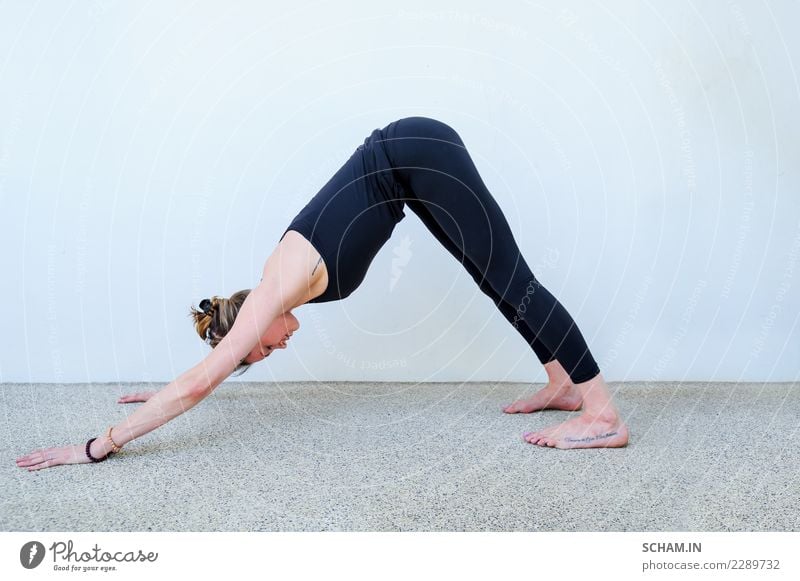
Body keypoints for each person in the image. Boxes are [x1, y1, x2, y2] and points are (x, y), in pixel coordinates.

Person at [16, 116, 628, 472]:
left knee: (513, 277)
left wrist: (97, 446)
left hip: (416, 150)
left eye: (266, 349)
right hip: (411, 169)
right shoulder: (268, 294)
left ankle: (602, 415)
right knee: (489, 274)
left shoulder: (274, 289)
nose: (280, 346)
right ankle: (563, 382)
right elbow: (212, 370)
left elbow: (204, 381)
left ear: (252, 329)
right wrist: (173, 384)